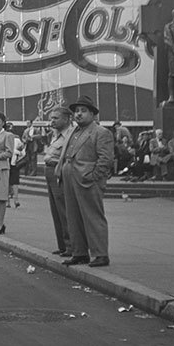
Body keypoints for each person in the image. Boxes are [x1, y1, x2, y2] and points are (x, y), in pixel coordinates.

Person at [57, 96, 115, 267]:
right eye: (76, 111)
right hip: (71, 178)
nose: (78, 114)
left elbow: (106, 159)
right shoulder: (74, 132)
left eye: (83, 111)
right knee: (73, 217)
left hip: (87, 180)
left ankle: (101, 254)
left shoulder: (100, 132)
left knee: (93, 217)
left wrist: (94, 176)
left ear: (92, 114)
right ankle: (80, 252)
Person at [42, 104, 75, 256]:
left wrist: (53, 161)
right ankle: (62, 244)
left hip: (60, 173)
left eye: (56, 118)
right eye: (51, 118)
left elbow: (69, 158)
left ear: (67, 119)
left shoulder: (71, 135)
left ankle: (71, 246)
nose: (52, 121)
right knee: (56, 211)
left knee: (64, 210)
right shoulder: (56, 134)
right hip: (50, 173)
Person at [5, 124, 25, 208]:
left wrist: (17, 153)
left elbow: (23, 153)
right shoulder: (4, 139)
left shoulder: (16, 139)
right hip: (6, 163)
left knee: (14, 182)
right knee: (7, 182)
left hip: (14, 163)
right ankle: (8, 201)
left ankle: (14, 200)